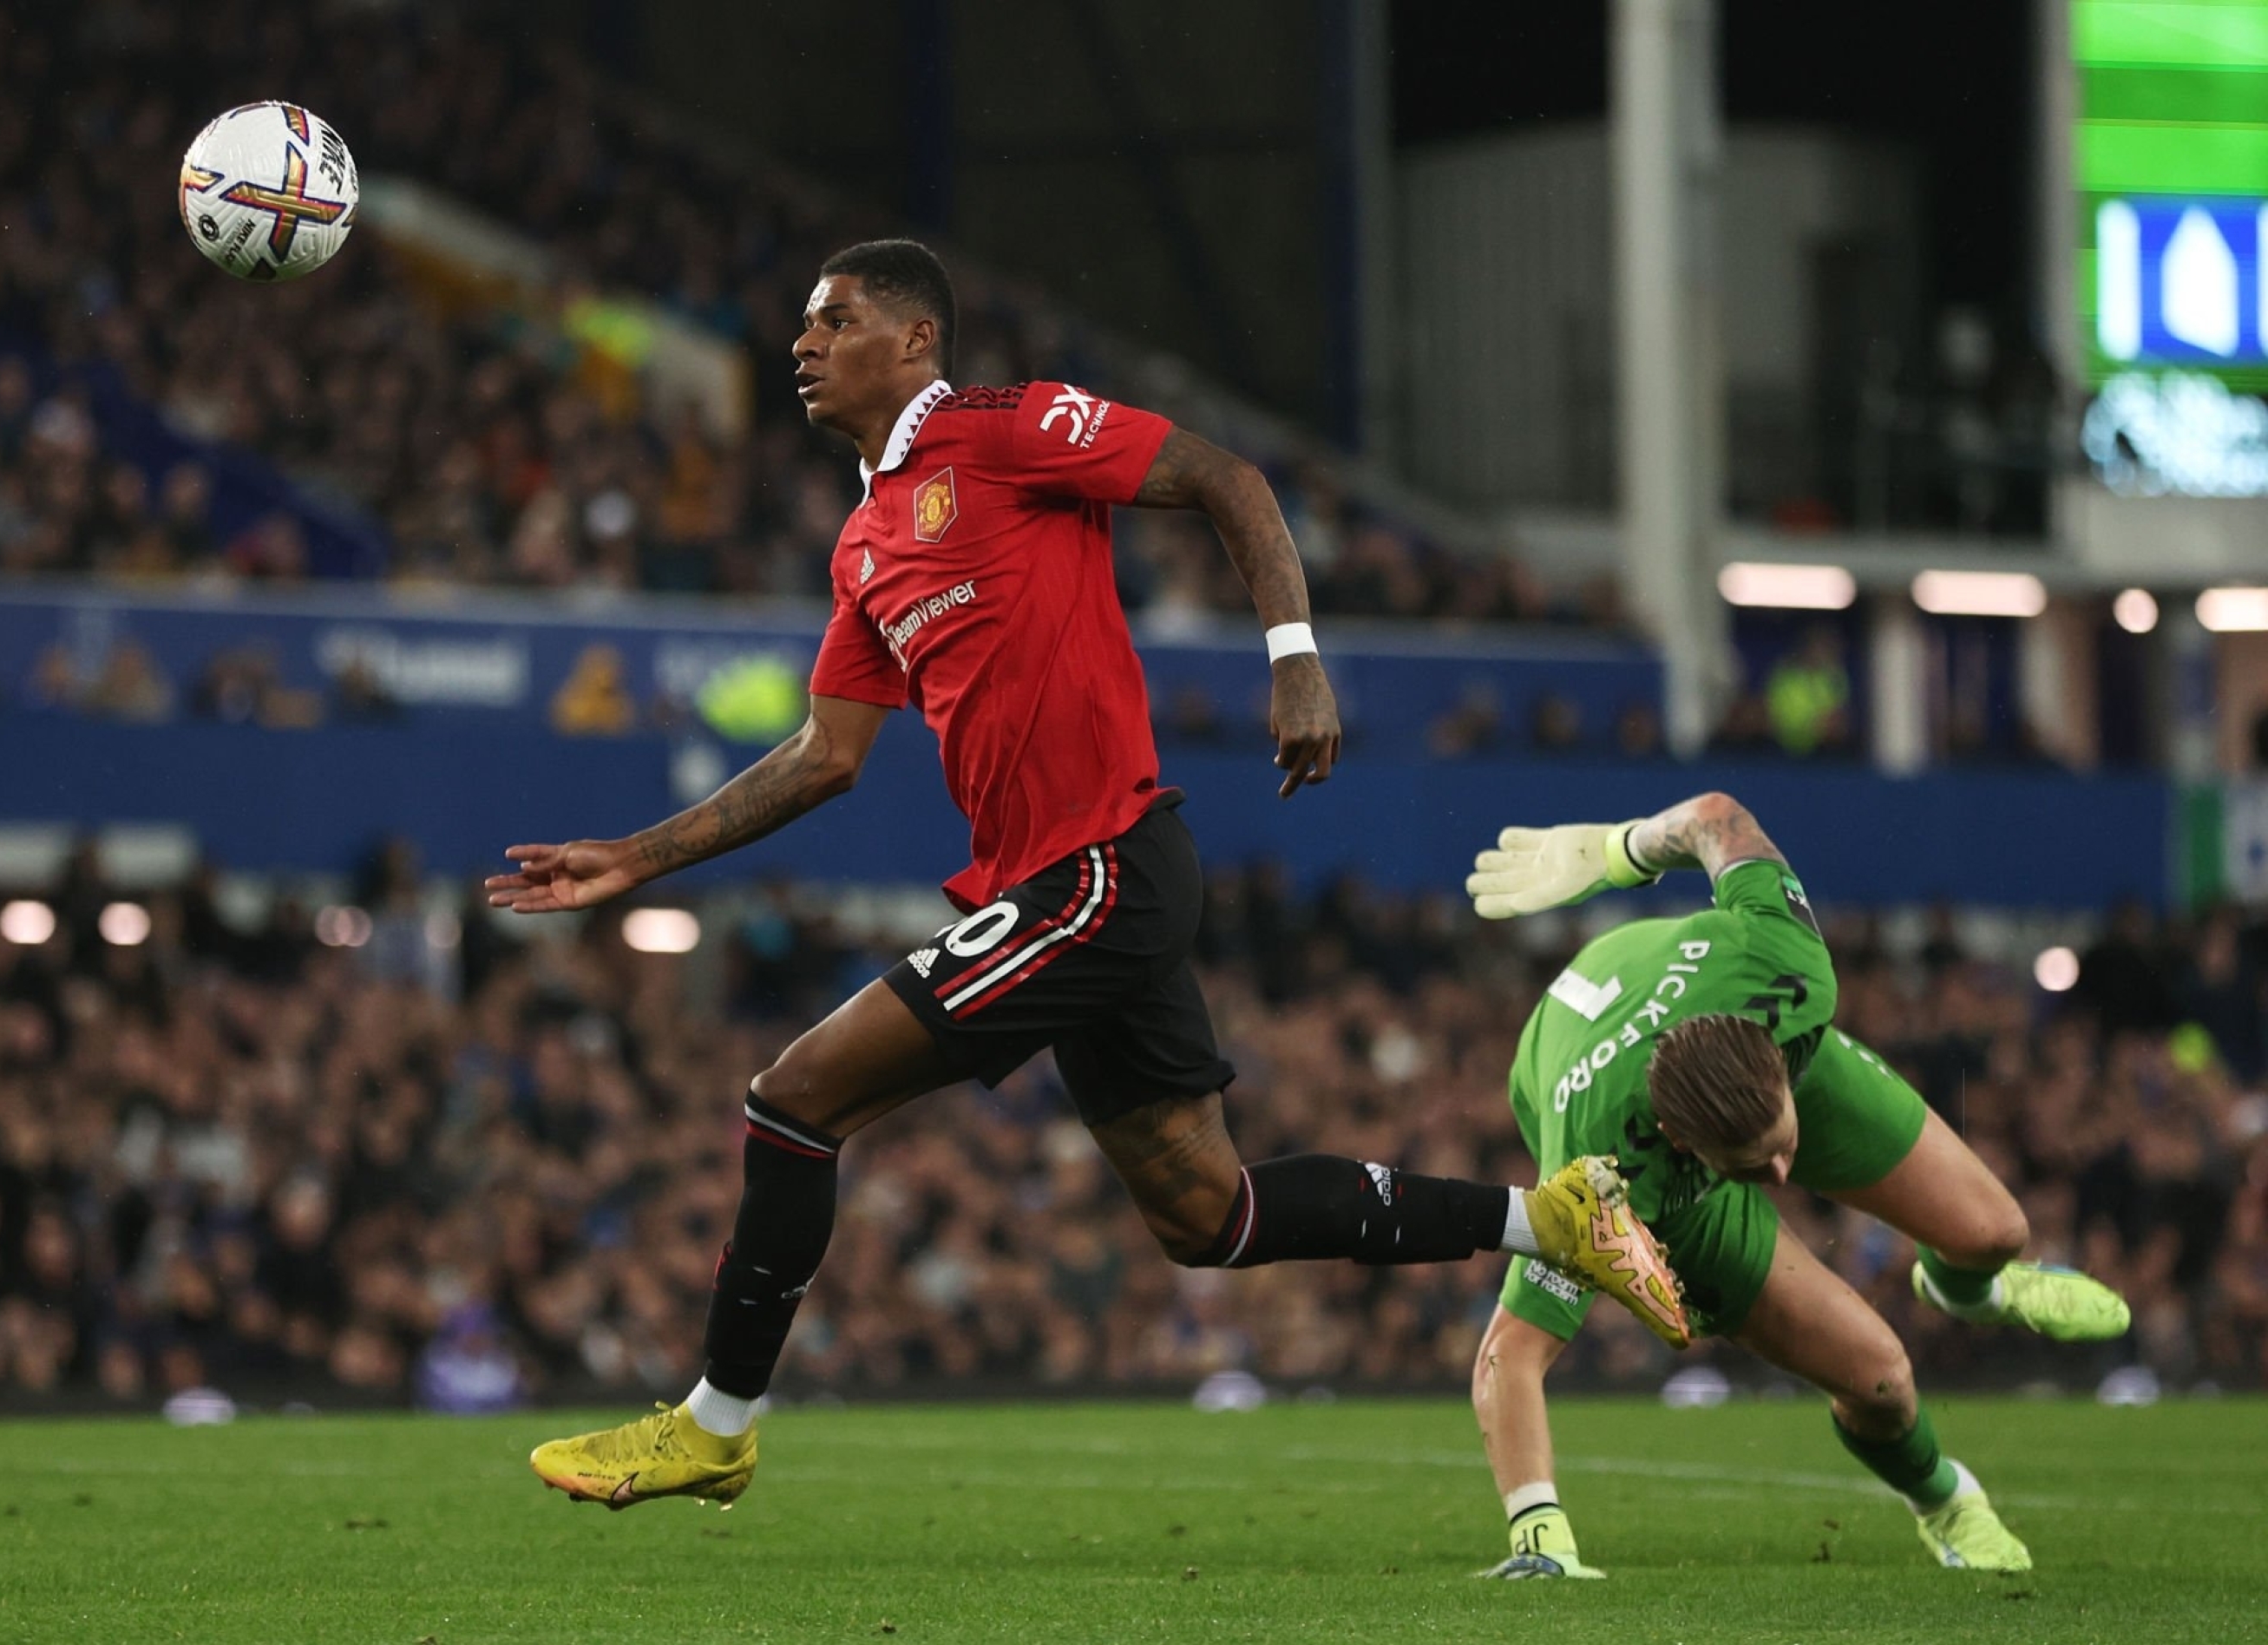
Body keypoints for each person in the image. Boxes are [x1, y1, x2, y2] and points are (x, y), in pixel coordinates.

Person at [488, 239, 1687, 1512]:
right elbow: (824, 755)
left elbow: (1224, 476)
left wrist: (1292, 655)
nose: (801, 343)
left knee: (792, 1099)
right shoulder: (862, 546)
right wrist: (639, 854)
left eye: (833, 320)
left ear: (915, 344)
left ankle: (717, 1422)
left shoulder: (1004, 431)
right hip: (1063, 888)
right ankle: (1549, 1220)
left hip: (1097, 872)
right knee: (1206, 1217)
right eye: (800, 326)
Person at [1460, 791, 2132, 1576]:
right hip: (1616, 1113)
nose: (1784, 1178)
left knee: (1994, 1234)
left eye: (1782, 1149)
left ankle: (1967, 1289)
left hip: (1738, 1050)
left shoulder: (1790, 969)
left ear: (1774, 1058)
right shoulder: (1601, 1176)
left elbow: (1714, 815)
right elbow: (1508, 1354)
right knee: (1880, 1381)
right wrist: (1538, 1536)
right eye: (1755, 1170)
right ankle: (1945, 1500)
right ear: (1684, 1145)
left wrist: (1619, 850)